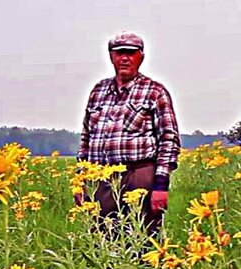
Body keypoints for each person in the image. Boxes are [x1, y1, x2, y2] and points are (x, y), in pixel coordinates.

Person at [76, 31, 181, 237]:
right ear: (111, 56)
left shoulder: (154, 91)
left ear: (141, 57)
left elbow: (169, 140)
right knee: (102, 238)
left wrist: (161, 186)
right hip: (101, 177)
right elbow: (86, 139)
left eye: (131, 53)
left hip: (139, 175)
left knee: (143, 237)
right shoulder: (98, 91)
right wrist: (80, 182)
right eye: (120, 52)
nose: (125, 58)